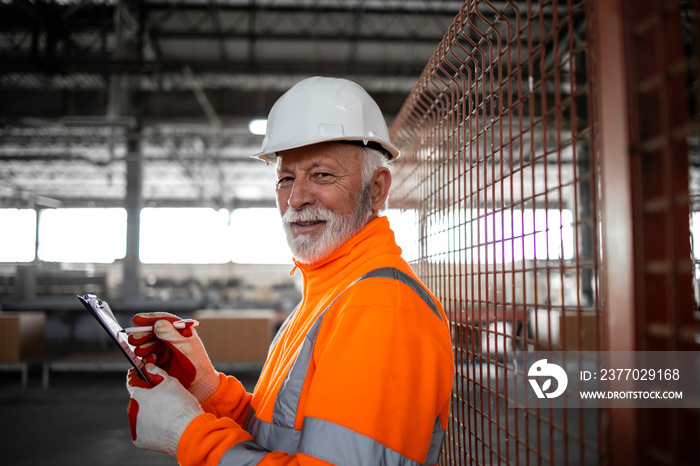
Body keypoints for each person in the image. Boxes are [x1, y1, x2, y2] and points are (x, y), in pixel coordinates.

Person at [125, 76, 455, 466]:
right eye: (285, 178)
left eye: (322, 175)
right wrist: (205, 385)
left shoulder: (379, 308)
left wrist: (188, 434)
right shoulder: (328, 295)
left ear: (377, 190)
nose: (296, 199)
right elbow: (276, 435)